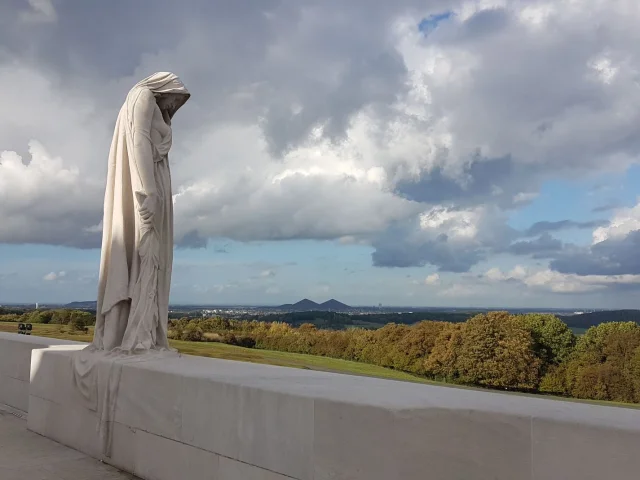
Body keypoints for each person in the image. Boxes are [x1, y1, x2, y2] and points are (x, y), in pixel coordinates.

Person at [92, 72, 190, 352]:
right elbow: (138, 141)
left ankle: (140, 331)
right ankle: (137, 334)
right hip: (148, 189)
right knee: (147, 256)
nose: (173, 105)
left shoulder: (144, 102)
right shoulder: (143, 95)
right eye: (175, 99)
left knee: (149, 258)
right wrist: (149, 192)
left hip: (153, 183)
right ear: (166, 88)